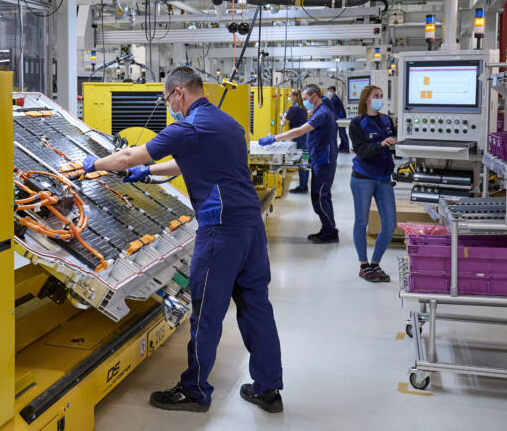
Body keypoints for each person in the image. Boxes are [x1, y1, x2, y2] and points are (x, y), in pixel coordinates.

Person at [82, 67, 284, 414]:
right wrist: (146, 172)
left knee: (205, 313)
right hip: (250, 228)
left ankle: (195, 391)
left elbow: (129, 155)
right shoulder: (229, 125)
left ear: (178, 93)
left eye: (167, 100)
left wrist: (93, 163)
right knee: (256, 307)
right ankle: (268, 389)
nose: (169, 106)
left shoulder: (187, 126)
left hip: (220, 230)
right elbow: (186, 161)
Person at [259, 84, 338, 244]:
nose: (304, 102)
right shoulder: (318, 111)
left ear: (314, 96)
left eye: (306, 99)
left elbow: (300, 131)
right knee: (323, 197)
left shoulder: (321, 113)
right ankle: (327, 228)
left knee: (320, 198)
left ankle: (330, 232)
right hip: (320, 159)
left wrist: (274, 138)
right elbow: (315, 137)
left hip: (324, 162)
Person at [349, 85, 397, 282]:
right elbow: (361, 150)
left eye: (382, 96)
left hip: (384, 177)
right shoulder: (357, 122)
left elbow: (395, 142)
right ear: (366, 100)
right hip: (363, 177)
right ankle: (363, 264)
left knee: (390, 224)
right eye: (376, 96)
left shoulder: (387, 120)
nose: (380, 99)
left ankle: (375, 263)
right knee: (361, 223)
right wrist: (381, 144)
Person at [282, 89, 309, 194]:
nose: (289, 98)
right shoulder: (303, 107)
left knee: (301, 161)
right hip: (305, 135)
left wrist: (282, 119)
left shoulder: (293, 108)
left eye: (290, 96)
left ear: (295, 96)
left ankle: (302, 187)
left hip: (298, 136)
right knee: (305, 159)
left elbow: (285, 123)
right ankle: (304, 185)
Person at [327, 86, 350, 152]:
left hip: (340, 118)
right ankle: (343, 147)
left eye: (331, 91)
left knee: (342, 133)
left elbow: (333, 110)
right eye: (328, 91)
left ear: (334, 91)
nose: (329, 92)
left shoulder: (335, 99)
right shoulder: (332, 99)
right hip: (338, 117)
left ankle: (345, 148)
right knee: (341, 133)